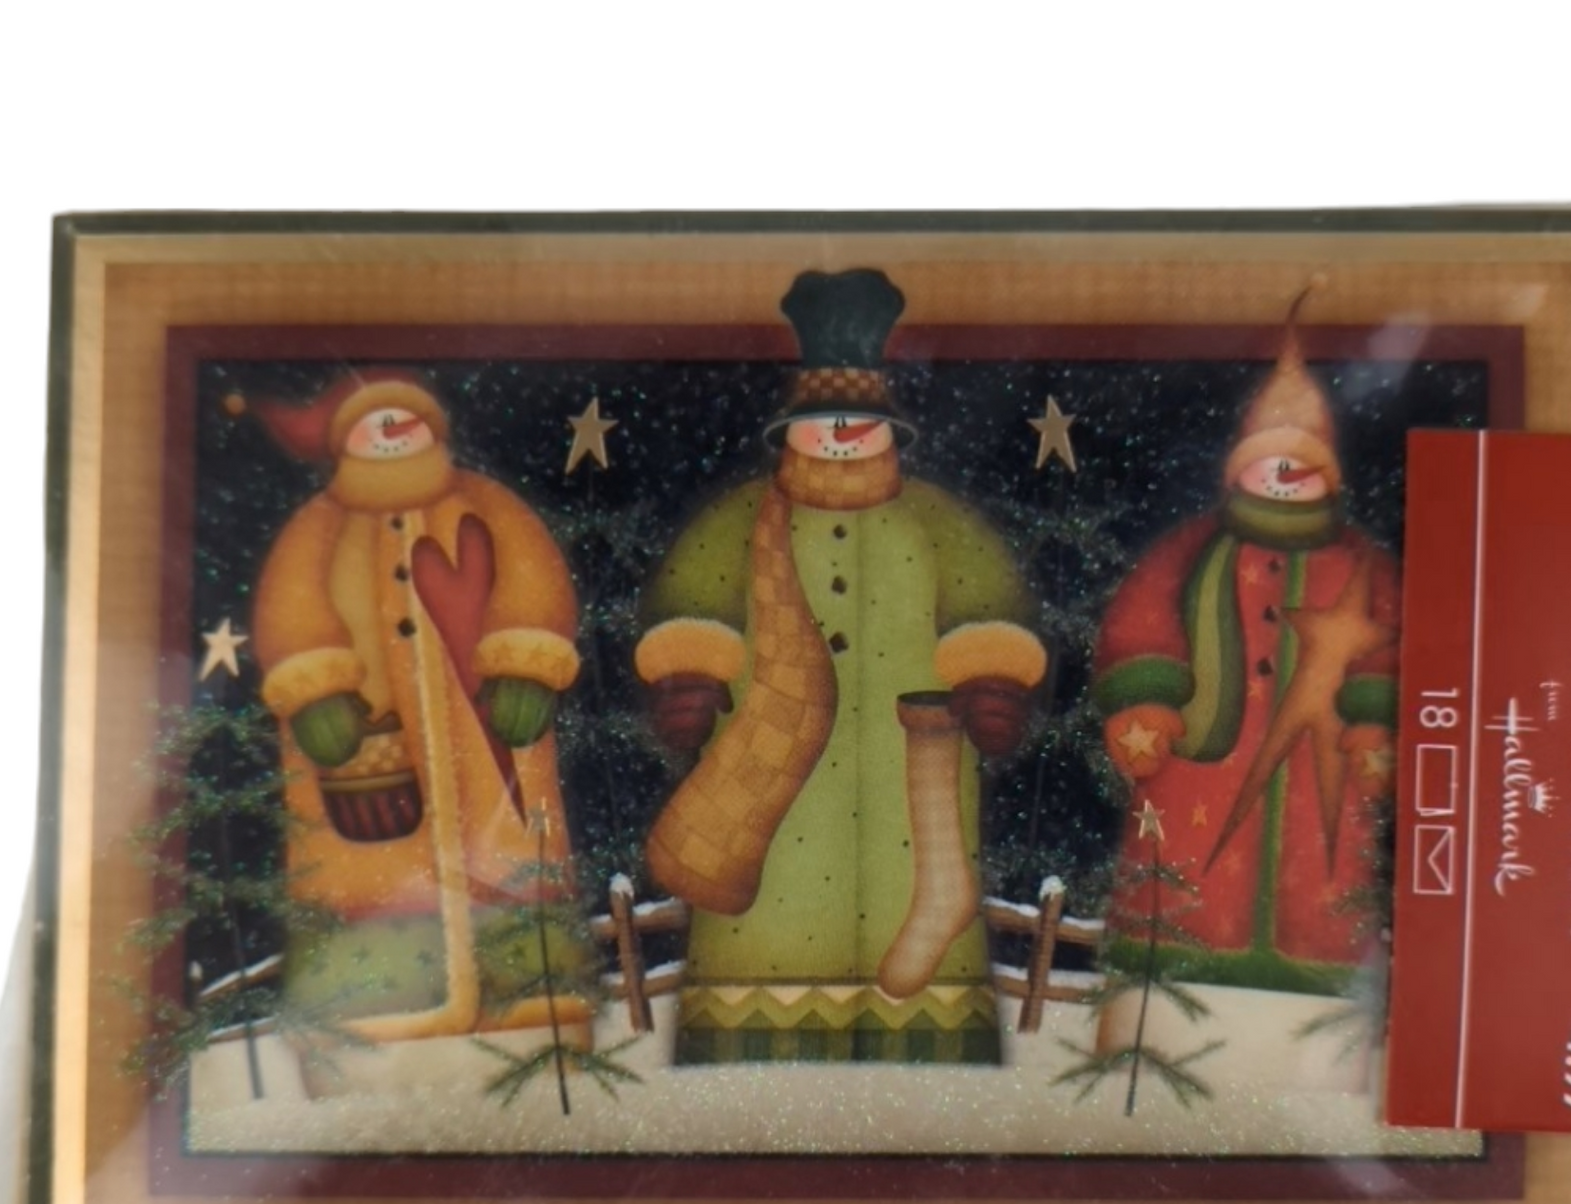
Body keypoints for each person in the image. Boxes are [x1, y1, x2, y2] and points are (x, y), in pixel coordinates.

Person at [637, 270, 1046, 1065]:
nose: (838, 434)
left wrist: (992, 677)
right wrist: (688, 672)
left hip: (912, 769)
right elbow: (692, 600)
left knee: (919, 889)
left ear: (889, 428)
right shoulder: (741, 522)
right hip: (765, 774)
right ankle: (751, 1037)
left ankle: (924, 1039)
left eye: (856, 421)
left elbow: (988, 602)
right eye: (819, 422)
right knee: (764, 914)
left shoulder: (933, 521)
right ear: (788, 430)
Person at [240, 368, 587, 1043]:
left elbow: (534, 577)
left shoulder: (488, 505)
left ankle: (531, 1025)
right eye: (371, 422)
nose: (390, 431)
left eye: (404, 417)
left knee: (512, 861)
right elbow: (290, 609)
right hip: (366, 768)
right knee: (364, 879)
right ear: (344, 442)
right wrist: (314, 688)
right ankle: (371, 1033)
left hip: (489, 752)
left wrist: (528, 662)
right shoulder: (318, 528)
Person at [1093, 290, 1399, 992]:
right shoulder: (1194, 552)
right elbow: (1142, 619)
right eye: (1270, 465)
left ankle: (1322, 983)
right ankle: (1169, 978)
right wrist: (1146, 700)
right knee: (1182, 876)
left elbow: (1391, 647)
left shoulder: (1365, 566)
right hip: (1203, 766)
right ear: (1240, 470)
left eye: (1300, 466)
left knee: (1329, 874)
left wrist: (1375, 721)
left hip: (1325, 776)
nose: (1284, 479)